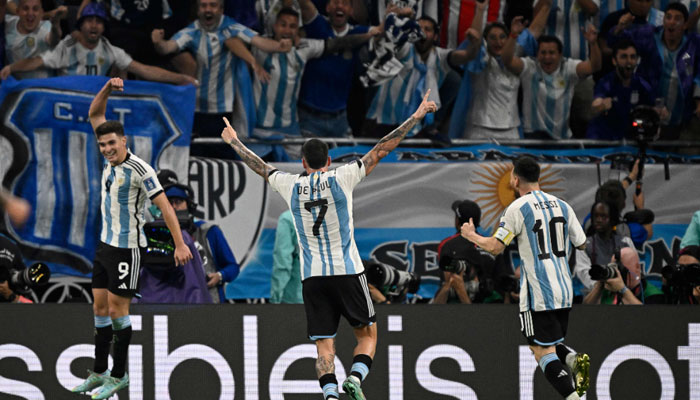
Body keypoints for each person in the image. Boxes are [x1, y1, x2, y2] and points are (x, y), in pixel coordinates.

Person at [220, 91, 437, 400]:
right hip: (347, 271)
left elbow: (260, 166)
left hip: (313, 279)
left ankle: (331, 395)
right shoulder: (342, 177)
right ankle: (356, 379)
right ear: (329, 161)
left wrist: (233, 142)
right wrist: (415, 118)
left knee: (324, 346)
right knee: (368, 336)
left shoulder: (290, 184)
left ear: (302, 162)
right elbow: (380, 149)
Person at [70, 77, 193, 400]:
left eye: (112, 143)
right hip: (104, 244)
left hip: (127, 249)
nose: (107, 149)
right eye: (103, 145)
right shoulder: (109, 160)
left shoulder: (141, 170)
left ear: (124, 141)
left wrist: (179, 243)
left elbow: (166, 208)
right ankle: (99, 371)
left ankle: (120, 375)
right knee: (98, 307)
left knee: (116, 311)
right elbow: (95, 114)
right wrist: (107, 89)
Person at [461, 156, 590, 400]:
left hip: (537, 293)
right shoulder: (562, 205)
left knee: (541, 352)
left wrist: (471, 235)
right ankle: (572, 358)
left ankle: (574, 397)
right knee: (549, 343)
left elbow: (496, 247)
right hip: (563, 291)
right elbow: (582, 244)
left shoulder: (517, 208)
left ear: (515, 178)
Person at [151, 0, 291, 141]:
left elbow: (259, 41)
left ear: (221, 9)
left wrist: (279, 46)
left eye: (213, 5)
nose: (208, 9)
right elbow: (169, 47)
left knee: (223, 157)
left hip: (224, 110)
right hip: (197, 108)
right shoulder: (192, 31)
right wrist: (158, 43)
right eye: (203, 5)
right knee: (200, 156)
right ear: (197, 9)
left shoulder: (231, 27)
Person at [0, 3, 195, 85]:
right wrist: (11, 67)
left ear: (104, 27)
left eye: (99, 21)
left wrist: (180, 79)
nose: (94, 26)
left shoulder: (109, 49)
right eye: (89, 21)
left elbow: (144, 70)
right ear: (81, 24)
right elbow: (36, 62)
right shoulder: (68, 46)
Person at [610, 3, 700, 139]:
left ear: (685, 25)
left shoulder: (692, 46)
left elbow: (696, 73)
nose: (672, 22)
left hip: (680, 119)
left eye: (677, 18)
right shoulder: (649, 35)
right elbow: (615, 43)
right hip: (647, 113)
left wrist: (699, 100)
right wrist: (619, 28)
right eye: (668, 17)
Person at [502, 17, 601, 140]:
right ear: (537, 54)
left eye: (551, 53)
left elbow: (594, 67)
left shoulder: (568, 67)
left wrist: (593, 43)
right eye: (543, 53)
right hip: (533, 137)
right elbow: (507, 61)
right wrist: (513, 35)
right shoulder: (529, 66)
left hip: (562, 138)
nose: (547, 57)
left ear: (560, 55)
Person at [296, 0, 375, 138]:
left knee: (350, 158)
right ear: (327, 7)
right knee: (308, 159)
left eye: (344, 3)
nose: (339, 6)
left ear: (351, 10)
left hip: (340, 119)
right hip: (310, 118)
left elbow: (383, 32)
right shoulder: (318, 26)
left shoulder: (358, 31)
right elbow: (304, 4)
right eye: (335, 2)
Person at [163, 182, 240, 303]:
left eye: (178, 202)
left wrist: (220, 276)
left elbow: (232, 267)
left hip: (209, 302)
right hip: (172, 303)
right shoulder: (157, 234)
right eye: (169, 203)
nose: (174, 207)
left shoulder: (209, 231)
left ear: (189, 205)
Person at [586, 39, 660, 139]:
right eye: (624, 57)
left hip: (630, 140)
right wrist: (601, 105)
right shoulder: (606, 83)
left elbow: (653, 109)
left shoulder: (642, 85)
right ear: (614, 61)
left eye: (632, 57)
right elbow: (595, 105)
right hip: (603, 139)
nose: (629, 61)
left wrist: (659, 113)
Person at [433, 200, 497, 304]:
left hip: (455, 305)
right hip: (494, 309)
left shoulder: (447, 245)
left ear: (458, 221)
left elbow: (446, 279)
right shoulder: (492, 245)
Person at [3, 0, 66, 79]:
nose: (30, 13)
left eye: (35, 9)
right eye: (25, 9)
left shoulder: (46, 27)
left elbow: (54, 39)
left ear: (41, 13)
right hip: (16, 87)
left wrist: (56, 24)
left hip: (41, 87)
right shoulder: (8, 24)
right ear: (17, 11)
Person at [270, 209, 303, 304]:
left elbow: (282, 263)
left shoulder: (288, 218)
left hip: (295, 297)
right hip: (329, 298)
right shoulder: (334, 216)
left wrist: (275, 299)